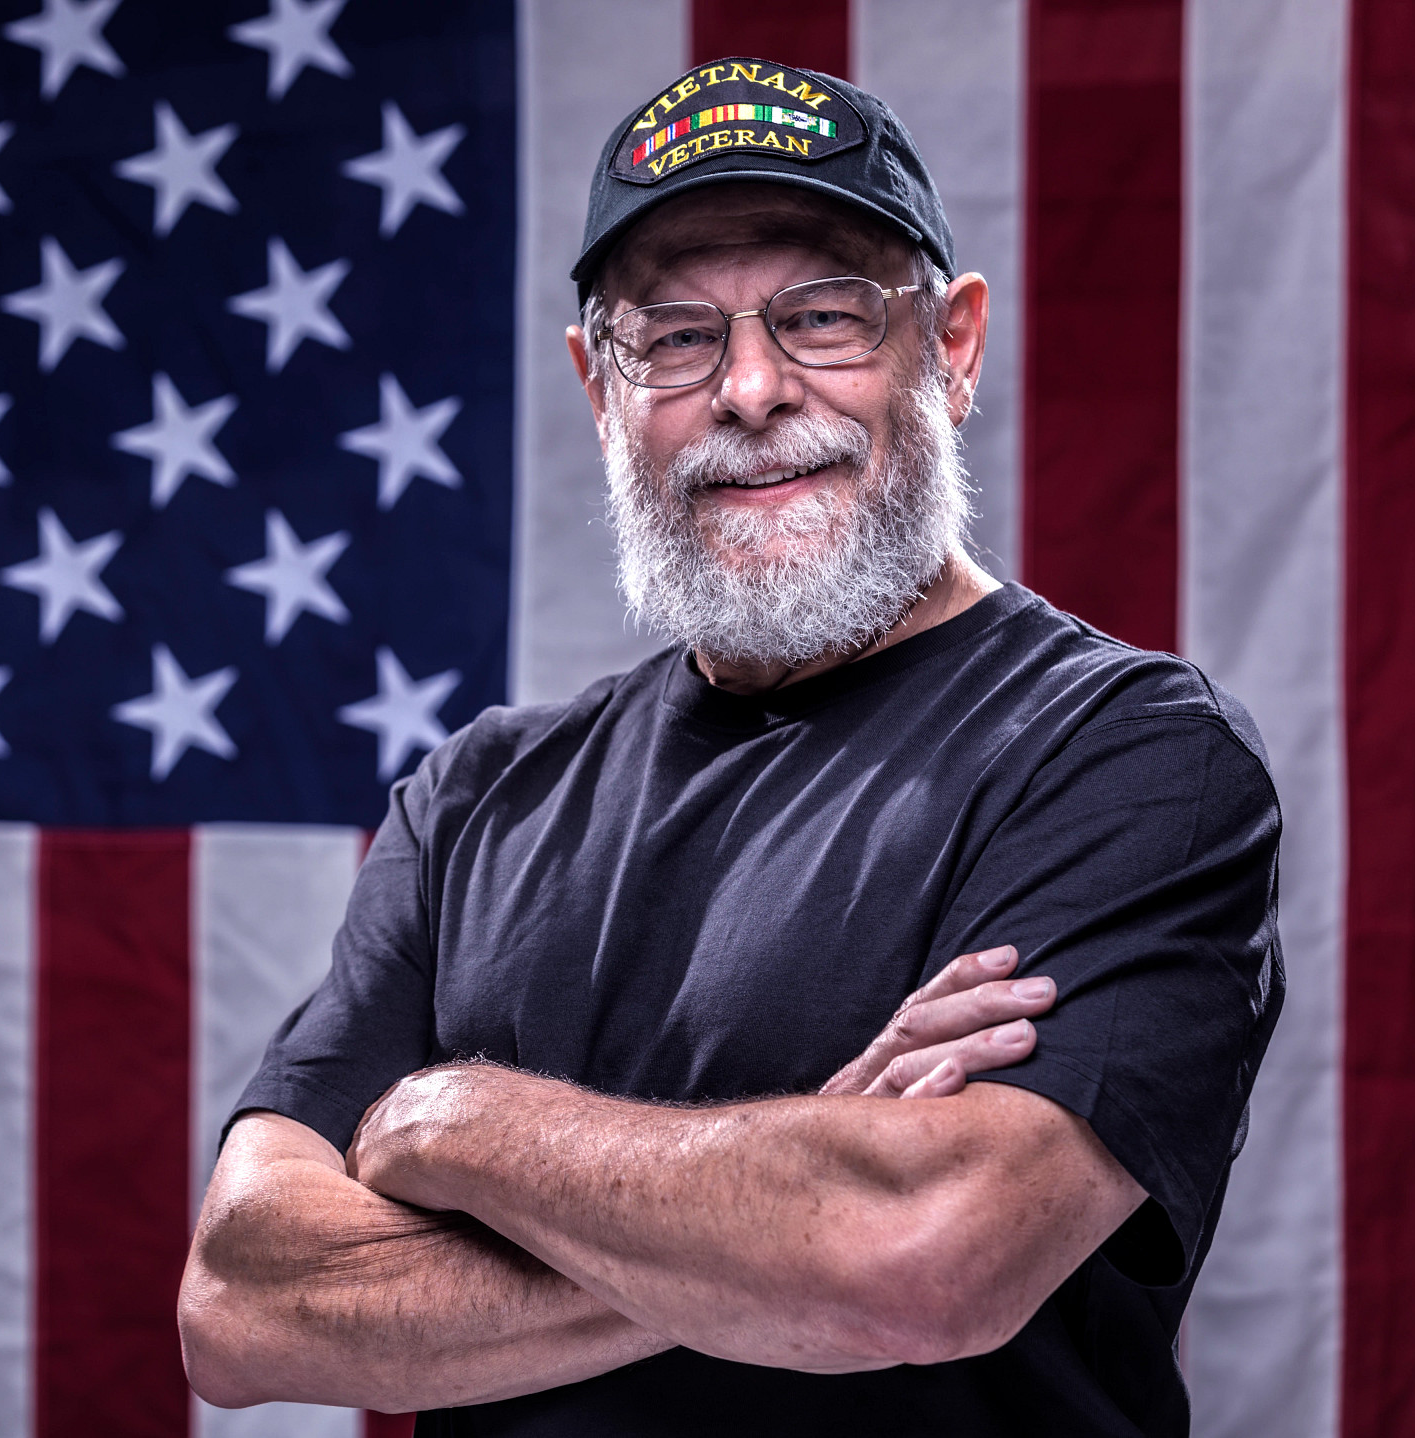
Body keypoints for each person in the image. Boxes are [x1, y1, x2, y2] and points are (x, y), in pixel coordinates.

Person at [179, 58, 1282, 1437]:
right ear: (600, 385)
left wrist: (456, 1122)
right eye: (679, 336)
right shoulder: (479, 802)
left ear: (950, 343)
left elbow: (925, 1259)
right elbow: (240, 1304)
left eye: (824, 315)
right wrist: (785, 1207)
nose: (752, 389)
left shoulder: (1126, 758)